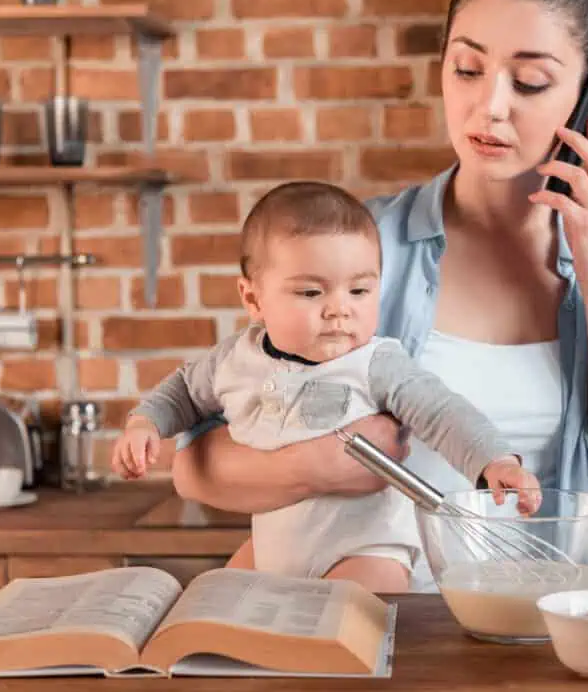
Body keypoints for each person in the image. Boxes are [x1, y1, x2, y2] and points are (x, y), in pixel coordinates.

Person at [171, 0, 588, 592]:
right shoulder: (369, 244)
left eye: (531, 82)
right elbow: (196, 462)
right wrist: (320, 465)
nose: (489, 108)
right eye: (467, 68)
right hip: (376, 626)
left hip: (540, 632)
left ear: (587, 94)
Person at [111, 181, 541, 593]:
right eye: (312, 292)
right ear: (253, 298)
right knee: (215, 603)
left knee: (352, 619)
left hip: (366, 549)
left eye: (359, 289)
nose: (339, 310)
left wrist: (494, 462)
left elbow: (443, 413)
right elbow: (183, 392)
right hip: (273, 548)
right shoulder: (233, 360)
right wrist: (144, 424)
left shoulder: (376, 363)